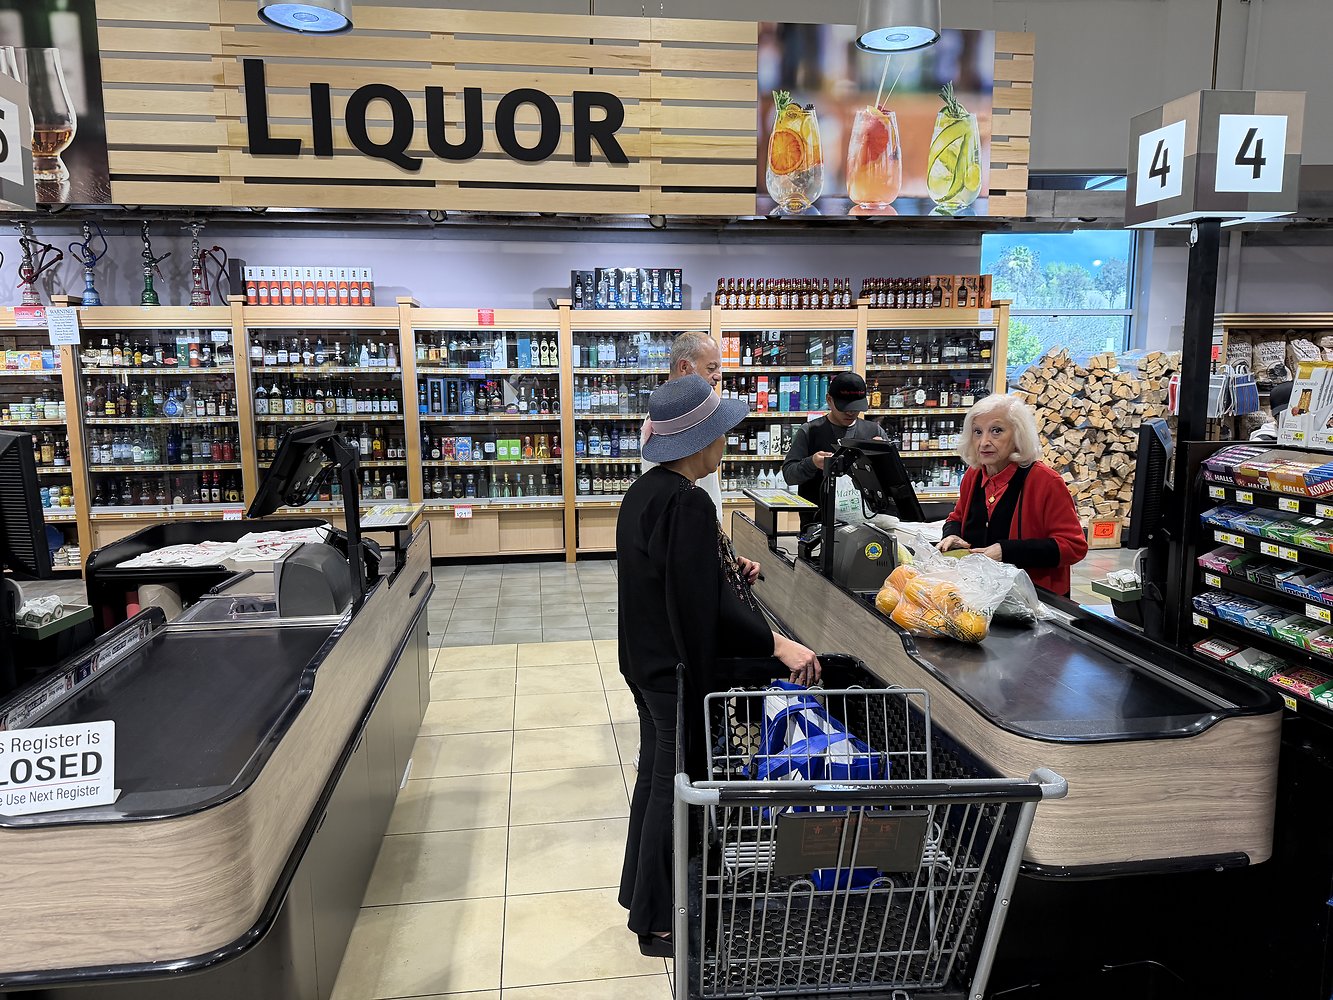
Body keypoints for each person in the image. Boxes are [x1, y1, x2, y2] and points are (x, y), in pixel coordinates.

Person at [617, 374, 819, 958]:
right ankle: (661, 921)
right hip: (674, 671)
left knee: (656, 778)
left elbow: (677, 578)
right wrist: (776, 645)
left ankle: (642, 897)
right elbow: (698, 604)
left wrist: (726, 571)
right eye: (721, 433)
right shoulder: (689, 501)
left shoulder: (645, 491)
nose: (726, 442)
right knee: (675, 786)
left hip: (645, 661)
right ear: (701, 440)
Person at [936, 393, 1087, 597]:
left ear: (1018, 435)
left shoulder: (1046, 481)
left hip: (1032, 597)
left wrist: (1006, 551)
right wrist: (952, 535)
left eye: (996, 431)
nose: (984, 442)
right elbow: (957, 517)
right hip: (979, 593)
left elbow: (1073, 546)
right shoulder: (974, 475)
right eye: (977, 432)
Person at [641, 331, 759, 583]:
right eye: (711, 367)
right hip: (691, 538)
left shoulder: (664, 421)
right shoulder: (671, 425)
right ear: (685, 367)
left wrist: (725, 557)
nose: (718, 375)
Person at [781, 372, 886, 527]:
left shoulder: (874, 432)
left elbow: (894, 482)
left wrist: (883, 458)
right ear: (829, 400)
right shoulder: (810, 431)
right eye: (844, 407)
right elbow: (789, 475)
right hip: (817, 526)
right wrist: (812, 463)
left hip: (867, 526)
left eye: (855, 408)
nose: (850, 412)